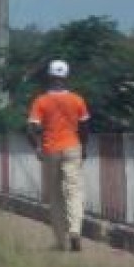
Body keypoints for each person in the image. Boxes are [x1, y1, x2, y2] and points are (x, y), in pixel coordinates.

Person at [26, 59, 91, 252]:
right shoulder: (77, 100)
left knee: (54, 196)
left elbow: (32, 128)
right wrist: (84, 146)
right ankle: (75, 231)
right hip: (72, 147)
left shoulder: (41, 101)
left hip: (50, 149)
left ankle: (60, 241)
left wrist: (37, 147)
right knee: (74, 191)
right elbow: (85, 126)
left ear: (49, 76)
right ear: (66, 77)